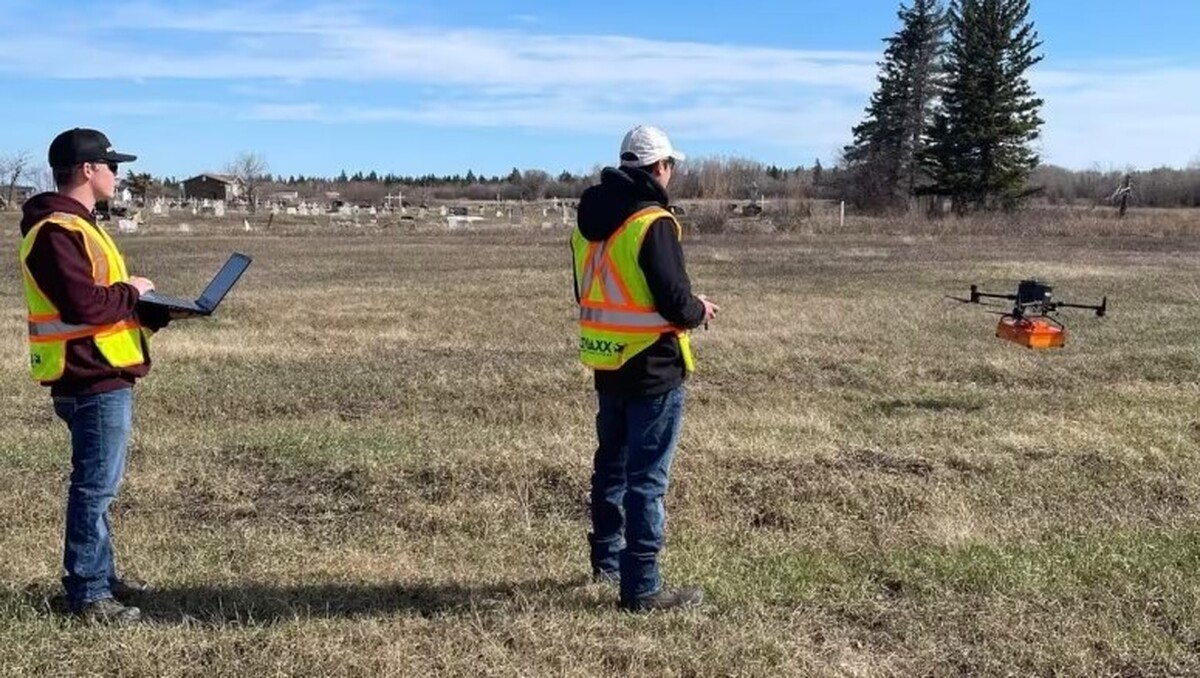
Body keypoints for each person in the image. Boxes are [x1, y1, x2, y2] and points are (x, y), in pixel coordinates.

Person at [19, 128, 171, 623]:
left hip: (102, 369)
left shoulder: (82, 226)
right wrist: (132, 290)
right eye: (111, 166)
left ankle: (100, 575)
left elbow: (95, 305)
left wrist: (149, 312)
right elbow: (83, 304)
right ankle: (88, 593)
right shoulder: (57, 231)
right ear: (87, 170)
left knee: (99, 485)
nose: (116, 175)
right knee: (94, 487)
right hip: (88, 377)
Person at [571, 125, 719, 612]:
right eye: (670, 165)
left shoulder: (588, 222)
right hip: (653, 367)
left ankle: (607, 565)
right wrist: (699, 309)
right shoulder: (652, 221)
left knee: (610, 470)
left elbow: (592, 293)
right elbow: (674, 303)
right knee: (647, 480)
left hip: (606, 361)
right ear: (660, 168)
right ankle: (642, 588)